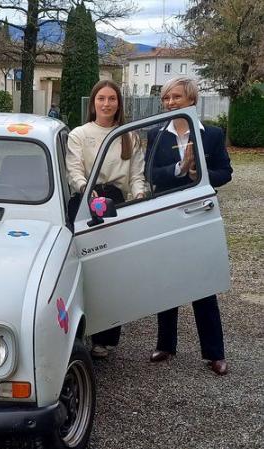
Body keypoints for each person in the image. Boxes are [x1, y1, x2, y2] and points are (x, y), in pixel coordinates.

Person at [146, 77, 233, 375]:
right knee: (167, 282)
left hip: (199, 215)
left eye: (176, 97)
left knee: (203, 283)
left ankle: (214, 353)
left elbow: (226, 172)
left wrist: (201, 173)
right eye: (167, 97)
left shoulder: (211, 135)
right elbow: (152, 176)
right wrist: (180, 168)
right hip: (167, 214)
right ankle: (165, 345)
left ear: (191, 100)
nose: (170, 102)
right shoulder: (156, 135)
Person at [66, 79, 147, 359]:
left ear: (118, 103)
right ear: (93, 102)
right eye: (101, 98)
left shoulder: (130, 136)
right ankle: (79, 331)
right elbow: (74, 170)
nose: (107, 104)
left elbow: (137, 175)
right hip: (86, 201)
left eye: (112, 99)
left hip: (117, 203)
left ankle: (107, 337)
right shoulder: (79, 134)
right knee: (86, 267)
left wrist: (138, 198)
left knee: (113, 271)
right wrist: (86, 193)